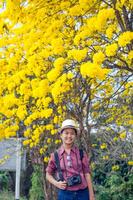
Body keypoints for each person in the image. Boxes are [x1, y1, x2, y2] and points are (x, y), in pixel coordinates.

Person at [46, 119, 95, 200]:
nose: (69, 136)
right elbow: (48, 174)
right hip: (65, 194)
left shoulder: (81, 153)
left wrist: (91, 195)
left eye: (72, 133)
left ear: (75, 136)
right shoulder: (55, 155)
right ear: (61, 135)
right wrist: (56, 183)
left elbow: (87, 174)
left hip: (82, 193)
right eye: (66, 133)